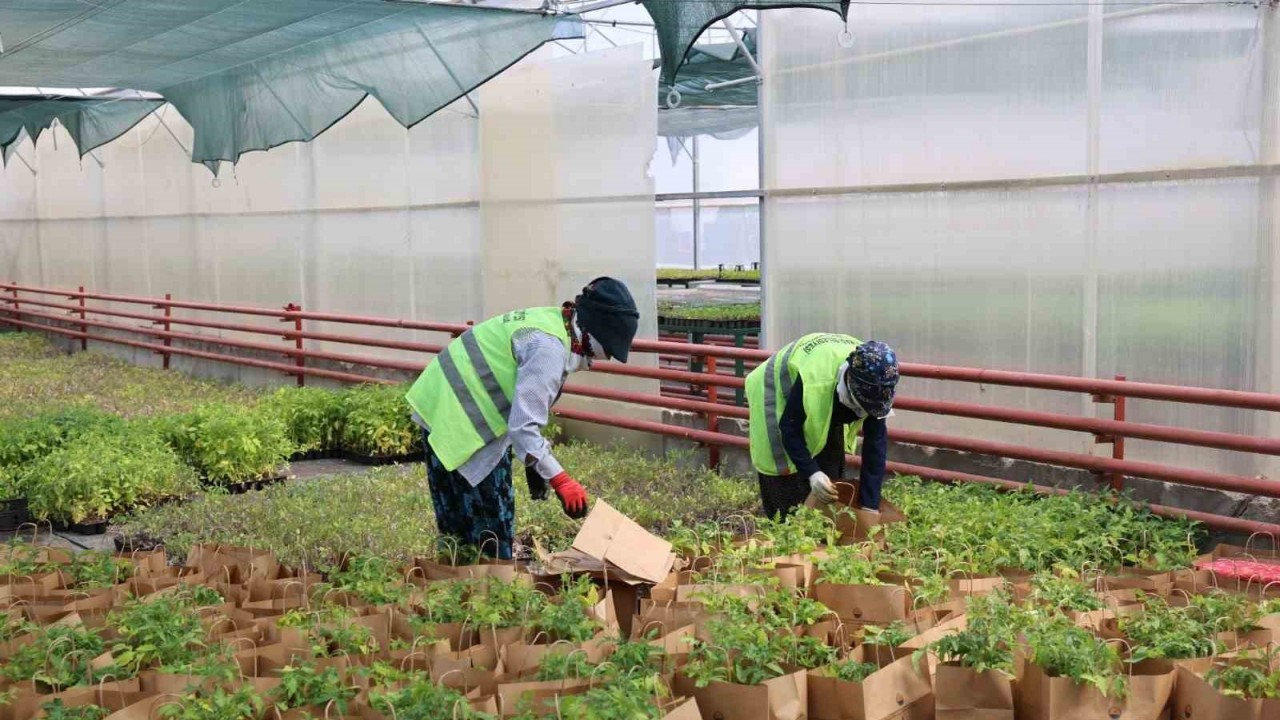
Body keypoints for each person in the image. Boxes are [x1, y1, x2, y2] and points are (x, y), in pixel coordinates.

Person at [404, 277, 640, 560]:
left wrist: (534, 464)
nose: (608, 358)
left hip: (439, 402)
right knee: (490, 528)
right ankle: (488, 587)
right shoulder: (549, 349)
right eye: (609, 350)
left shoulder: (552, 322)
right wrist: (560, 479)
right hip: (458, 418)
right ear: (596, 333)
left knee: (457, 527)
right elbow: (523, 428)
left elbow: (522, 407)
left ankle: (455, 579)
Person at [745, 334, 899, 519]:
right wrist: (812, 473)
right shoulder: (816, 382)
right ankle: (783, 530)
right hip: (773, 389)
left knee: (829, 475)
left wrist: (870, 505)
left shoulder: (878, 380)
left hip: (823, 382)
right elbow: (789, 426)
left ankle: (821, 524)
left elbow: (875, 446)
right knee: (782, 475)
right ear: (850, 382)